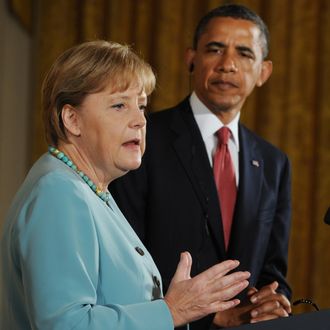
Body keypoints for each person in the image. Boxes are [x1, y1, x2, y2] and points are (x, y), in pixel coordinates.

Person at [0, 40, 251, 329]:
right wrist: (170, 311)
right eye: (119, 105)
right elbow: (67, 325)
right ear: (72, 119)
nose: (139, 121)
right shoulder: (58, 193)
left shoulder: (91, 189)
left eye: (142, 106)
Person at [110, 4, 292, 329]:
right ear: (191, 58)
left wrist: (273, 300)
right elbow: (124, 258)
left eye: (244, 54)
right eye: (215, 49)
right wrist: (209, 316)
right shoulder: (143, 138)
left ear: (263, 72)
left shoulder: (273, 162)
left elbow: (273, 270)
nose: (228, 65)